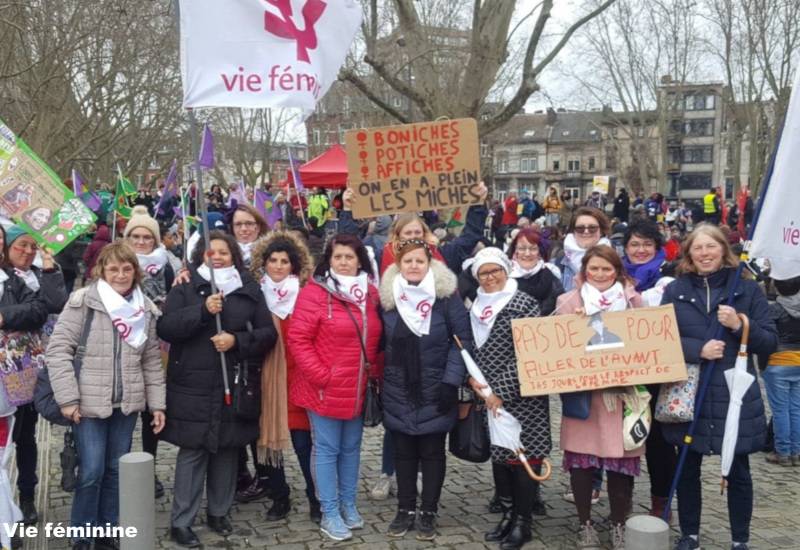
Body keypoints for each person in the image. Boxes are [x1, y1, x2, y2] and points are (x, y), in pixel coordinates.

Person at [157, 231, 277, 548]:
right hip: (192, 385)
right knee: (193, 451)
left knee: (226, 449)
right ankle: (181, 521)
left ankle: (219, 513)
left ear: (234, 256)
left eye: (224, 252)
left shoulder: (248, 288)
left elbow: (267, 334)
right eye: (212, 252)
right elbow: (166, 327)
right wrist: (201, 311)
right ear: (201, 257)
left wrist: (237, 340)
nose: (218, 257)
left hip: (234, 383)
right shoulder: (186, 285)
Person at [662, 224, 778, 550]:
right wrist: (696, 349)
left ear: (723, 250)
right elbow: (662, 340)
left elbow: (769, 341)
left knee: (739, 470)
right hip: (690, 394)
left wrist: (741, 325)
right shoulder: (675, 291)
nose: (704, 254)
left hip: (734, 394)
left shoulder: (747, 288)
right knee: (686, 469)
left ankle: (740, 539)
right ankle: (691, 534)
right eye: (697, 249)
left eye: (711, 247)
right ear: (688, 255)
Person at [47, 242, 166, 550]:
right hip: (87, 404)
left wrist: (157, 404)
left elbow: (151, 360)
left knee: (116, 471)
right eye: (113, 268)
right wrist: (68, 398)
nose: (121, 274)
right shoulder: (83, 302)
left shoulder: (145, 309)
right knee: (90, 472)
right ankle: (83, 535)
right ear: (101, 270)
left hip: (125, 405)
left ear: (135, 271)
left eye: (127, 268)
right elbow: (58, 351)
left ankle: (109, 530)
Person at [288, 234, 383, 542]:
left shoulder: (370, 294)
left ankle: (349, 504)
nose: (343, 262)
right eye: (337, 256)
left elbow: (377, 341)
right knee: (327, 450)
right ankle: (329, 513)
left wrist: (375, 378)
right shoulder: (313, 293)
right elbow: (298, 340)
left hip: (358, 388)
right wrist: (321, 376)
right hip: (325, 387)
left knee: (351, 449)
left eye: (349, 257)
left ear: (360, 261)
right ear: (328, 260)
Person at [556, 245, 645, 550]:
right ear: (584, 271)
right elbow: (558, 349)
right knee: (582, 462)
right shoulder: (568, 301)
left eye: (607, 269)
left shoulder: (633, 301)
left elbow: (647, 341)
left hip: (623, 396)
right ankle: (585, 524)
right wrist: (576, 327)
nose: (600, 274)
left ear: (617, 271)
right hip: (585, 397)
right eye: (594, 268)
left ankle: (618, 522)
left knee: (621, 462)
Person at [380, 240, 470, 541]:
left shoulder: (445, 298)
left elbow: (462, 340)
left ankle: (428, 510)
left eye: (420, 261)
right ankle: (404, 508)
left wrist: (451, 381)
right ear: (399, 265)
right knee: (403, 451)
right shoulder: (388, 297)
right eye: (408, 261)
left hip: (436, 384)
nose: (414, 266)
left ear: (429, 263)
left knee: (432, 452)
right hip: (397, 384)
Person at [466, 247, 550, 550]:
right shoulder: (476, 306)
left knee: (523, 457)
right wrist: (472, 380)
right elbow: (472, 352)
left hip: (522, 396)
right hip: (489, 398)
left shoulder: (523, 303)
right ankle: (507, 515)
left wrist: (501, 390)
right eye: (483, 273)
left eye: (495, 271)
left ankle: (522, 522)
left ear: (506, 270)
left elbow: (530, 353)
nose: (490, 278)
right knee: (502, 458)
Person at [244, 231, 322, 521]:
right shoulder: (255, 295)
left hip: (299, 380)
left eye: (284, 261)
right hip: (266, 381)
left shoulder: (304, 295)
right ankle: (280, 497)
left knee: (304, 445)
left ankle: (315, 497)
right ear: (264, 264)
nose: (278, 266)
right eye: (273, 260)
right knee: (269, 446)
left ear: (294, 265)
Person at [4, 224, 68, 524]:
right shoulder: (7, 279)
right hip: (6, 371)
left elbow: (52, 305)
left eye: (33, 246)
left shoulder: (43, 273)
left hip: (32, 368)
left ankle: (27, 495)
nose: (28, 252)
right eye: (22, 246)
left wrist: (50, 265)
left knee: (26, 438)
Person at [618, 219, 678, 520]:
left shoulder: (669, 277)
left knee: (658, 443)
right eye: (634, 244)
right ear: (625, 248)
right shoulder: (613, 277)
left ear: (657, 247)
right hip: (621, 372)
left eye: (647, 244)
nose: (640, 250)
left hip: (656, 373)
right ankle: (622, 503)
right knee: (622, 440)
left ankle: (661, 504)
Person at [760, 276, 800, 466]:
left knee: (780, 410)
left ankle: (783, 451)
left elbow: (765, 337)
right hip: (798, 362)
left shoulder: (773, 309)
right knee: (795, 409)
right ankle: (796, 451)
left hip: (778, 362)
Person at [124, 207, 175, 307]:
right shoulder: (115, 264)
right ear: (128, 239)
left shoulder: (166, 268)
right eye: (135, 236)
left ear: (155, 241)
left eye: (147, 237)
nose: (141, 242)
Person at [507, 228, 565, 316]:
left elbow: (564, 312)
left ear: (539, 252)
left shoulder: (551, 278)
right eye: (522, 248)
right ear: (515, 252)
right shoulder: (504, 279)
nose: (527, 254)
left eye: (533, 249)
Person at [559, 207, 611, 292]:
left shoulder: (616, 258)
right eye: (580, 228)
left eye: (592, 228)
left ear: (601, 231)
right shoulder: (558, 262)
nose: (586, 231)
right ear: (574, 231)